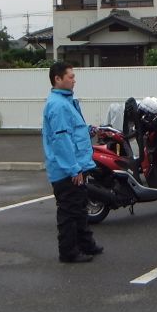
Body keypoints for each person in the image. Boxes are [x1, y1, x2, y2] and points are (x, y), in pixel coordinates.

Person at [42, 62, 103, 263]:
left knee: (79, 207)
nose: (74, 80)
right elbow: (61, 140)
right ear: (57, 79)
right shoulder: (58, 105)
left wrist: (88, 130)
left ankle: (86, 245)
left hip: (75, 166)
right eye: (70, 76)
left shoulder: (65, 102)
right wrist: (73, 169)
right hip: (67, 170)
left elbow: (74, 130)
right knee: (69, 211)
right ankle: (69, 252)